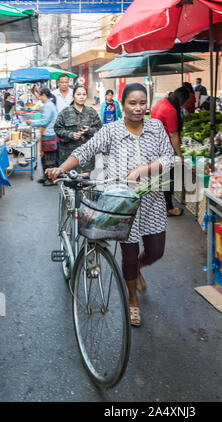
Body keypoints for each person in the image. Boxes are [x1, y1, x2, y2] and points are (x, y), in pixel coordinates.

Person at [46, 83, 174, 327]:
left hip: (152, 202)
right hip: (122, 203)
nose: (138, 108)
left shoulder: (156, 127)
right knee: (128, 255)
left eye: (142, 102)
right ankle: (132, 299)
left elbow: (169, 158)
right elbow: (85, 150)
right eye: (132, 103)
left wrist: (141, 170)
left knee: (156, 251)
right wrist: (61, 168)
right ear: (122, 105)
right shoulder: (111, 131)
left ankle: (137, 268)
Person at [151, 86, 190, 217]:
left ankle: (159, 205)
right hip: (164, 148)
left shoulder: (160, 103)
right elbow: (173, 135)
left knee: (161, 178)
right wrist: (179, 154)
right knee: (167, 179)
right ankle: (169, 208)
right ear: (182, 100)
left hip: (154, 145)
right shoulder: (171, 110)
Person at [54, 85, 102, 176]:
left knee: (85, 185)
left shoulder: (92, 112)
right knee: (70, 185)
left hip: (87, 155)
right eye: (78, 94)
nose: (81, 96)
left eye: (84, 94)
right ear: (73, 96)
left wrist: (89, 130)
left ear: (86, 96)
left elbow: (99, 129)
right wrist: (70, 135)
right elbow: (57, 128)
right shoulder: (65, 112)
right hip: (68, 156)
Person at [26, 88, 58, 186]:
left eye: (40, 95)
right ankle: (46, 176)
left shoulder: (48, 106)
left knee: (49, 159)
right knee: (45, 158)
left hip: (49, 134)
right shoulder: (48, 105)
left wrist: (31, 122)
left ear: (44, 95)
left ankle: (51, 179)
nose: (39, 98)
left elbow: (44, 121)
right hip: (47, 134)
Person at [52, 74, 74, 166]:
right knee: (59, 153)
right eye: (62, 82)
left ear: (68, 82)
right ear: (58, 83)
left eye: (66, 82)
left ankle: (71, 174)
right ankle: (60, 175)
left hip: (72, 128)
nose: (64, 84)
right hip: (59, 129)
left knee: (72, 153)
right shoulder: (53, 95)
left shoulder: (74, 93)